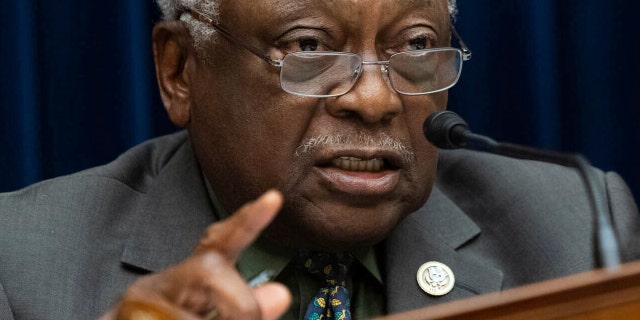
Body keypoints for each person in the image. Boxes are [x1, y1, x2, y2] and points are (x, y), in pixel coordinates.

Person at [1, 0, 639, 319]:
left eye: (417, 45)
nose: (375, 98)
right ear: (180, 71)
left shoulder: (573, 230)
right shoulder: (21, 268)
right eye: (307, 46)